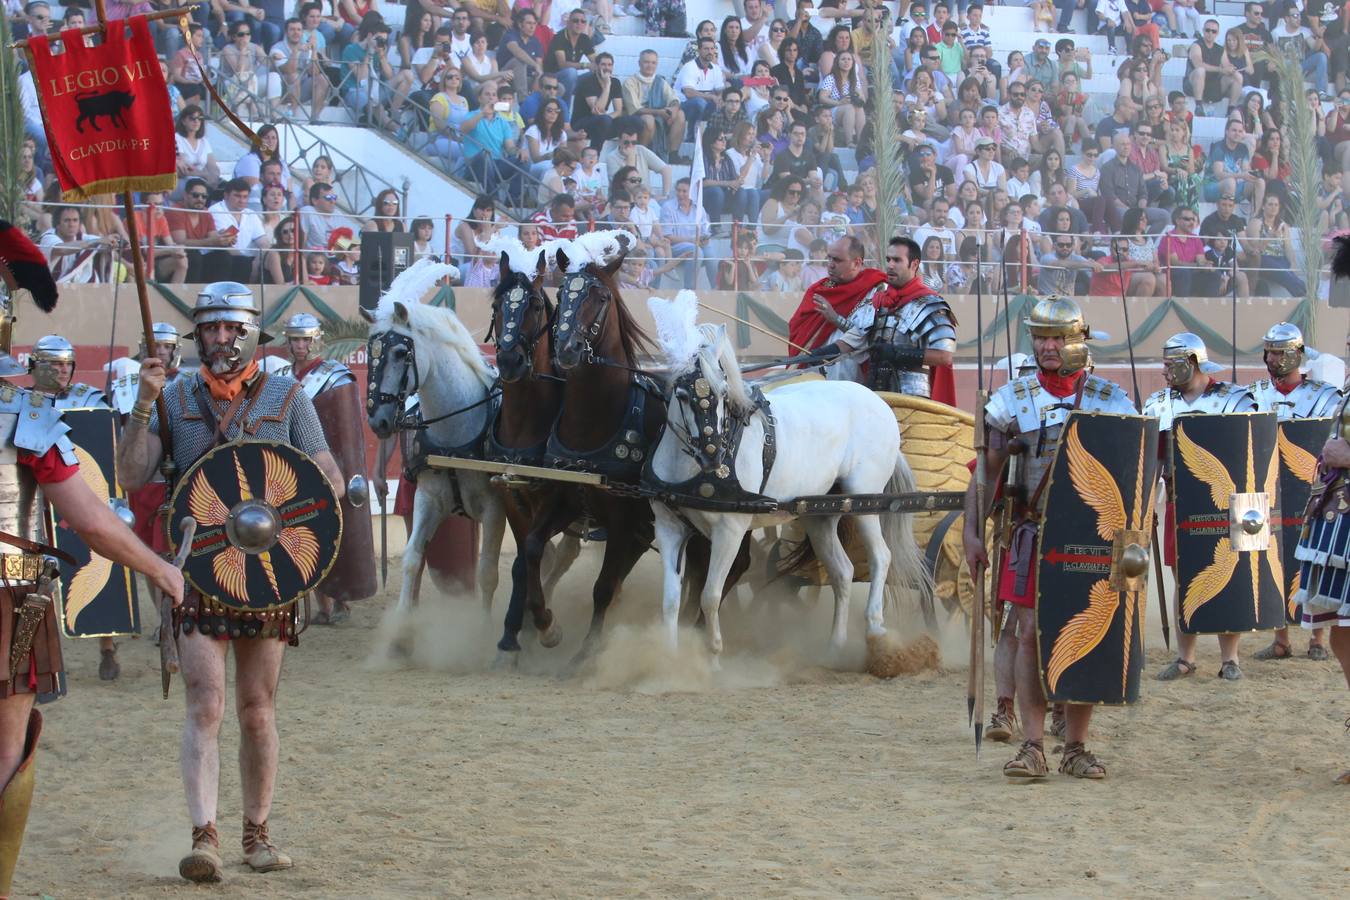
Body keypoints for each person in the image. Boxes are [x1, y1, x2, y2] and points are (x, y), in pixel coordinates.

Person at [117, 283, 346, 883]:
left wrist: (293, 504)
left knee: (257, 710)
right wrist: (142, 404)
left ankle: (257, 833)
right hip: (198, 568)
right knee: (206, 704)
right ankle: (205, 837)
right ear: (198, 335)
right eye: (210, 329)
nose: (220, 339)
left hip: (266, 576)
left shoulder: (287, 398)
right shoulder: (174, 398)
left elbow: (329, 477)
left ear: (250, 335)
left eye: (230, 329)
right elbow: (131, 474)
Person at [0, 225, 185, 900]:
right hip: (7, 596)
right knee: (4, 752)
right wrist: (161, 570)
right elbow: (93, 520)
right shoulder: (20, 414)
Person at [964, 296, 1136, 780]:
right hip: (1032, 532)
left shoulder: (1110, 401)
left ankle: (1076, 748)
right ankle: (1033, 747)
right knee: (1028, 635)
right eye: (1041, 337)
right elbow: (984, 476)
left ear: (1078, 340)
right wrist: (972, 532)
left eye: (1058, 337)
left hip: (1092, 539)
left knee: (1084, 634)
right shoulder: (1010, 402)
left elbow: (1134, 474)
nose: (1048, 346)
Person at [1147, 332, 1258, 683]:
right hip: (1179, 502)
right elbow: (1154, 459)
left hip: (1226, 503)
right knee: (1184, 577)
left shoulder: (1235, 401)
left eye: (1171, 364)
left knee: (1229, 573)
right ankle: (1186, 658)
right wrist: (1147, 501)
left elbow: (1250, 451)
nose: (1165, 371)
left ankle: (1230, 659)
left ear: (1191, 362)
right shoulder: (1159, 405)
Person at [24, 335, 121, 679]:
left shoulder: (89, 401)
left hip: (81, 498)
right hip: (36, 503)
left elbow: (107, 445)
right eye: (55, 363)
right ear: (36, 366)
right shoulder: (23, 403)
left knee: (96, 564)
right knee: (39, 578)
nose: (63, 370)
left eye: (67, 364)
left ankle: (106, 646)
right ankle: (42, 651)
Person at [272, 314, 376, 625]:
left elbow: (344, 431)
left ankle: (340, 600)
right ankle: (322, 606)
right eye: (295, 339)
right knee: (299, 535)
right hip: (290, 467)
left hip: (327, 465)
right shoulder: (279, 377)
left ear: (315, 340)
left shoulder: (335, 376)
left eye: (305, 339)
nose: (300, 346)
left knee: (330, 531)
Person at [1247, 322, 1340, 663]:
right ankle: (1280, 639)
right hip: (1269, 492)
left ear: (1296, 354)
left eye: (1279, 352)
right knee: (1274, 559)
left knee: (1313, 561)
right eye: (1269, 352)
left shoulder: (1326, 397)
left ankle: (1317, 638)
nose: (1272, 359)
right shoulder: (1252, 396)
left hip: (1314, 491)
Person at [785, 235, 889, 385]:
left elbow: (866, 336)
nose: (830, 265)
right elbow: (798, 329)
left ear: (856, 263)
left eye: (837, 260)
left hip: (851, 378)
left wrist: (835, 318)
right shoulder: (819, 289)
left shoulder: (876, 290)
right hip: (813, 374)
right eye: (829, 258)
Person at [867, 236, 957, 403]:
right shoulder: (880, 301)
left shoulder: (931, 304)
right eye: (888, 259)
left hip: (912, 395)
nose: (890, 265)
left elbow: (944, 356)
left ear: (914, 264)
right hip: (876, 391)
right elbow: (855, 337)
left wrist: (896, 353)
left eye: (897, 260)